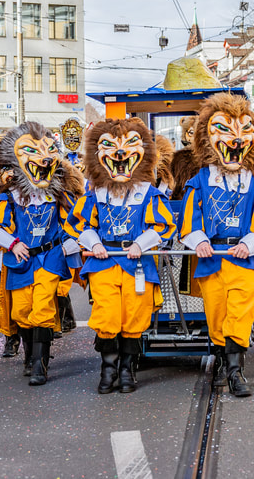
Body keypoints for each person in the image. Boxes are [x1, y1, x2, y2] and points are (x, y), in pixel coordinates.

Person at [65, 117, 176, 394]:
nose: (120, 153)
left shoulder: (149, 193)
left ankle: (127, 369)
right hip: (104, 261)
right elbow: (79, 224)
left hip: (138, 263)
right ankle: (108, 369)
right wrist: (94, 243)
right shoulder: (95, 194)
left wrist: (141, 243)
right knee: (107, 316)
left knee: (135, 317)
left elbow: (162, 225)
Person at [180, 93, 254, 396]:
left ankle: (236, 371)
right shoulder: (199, 181)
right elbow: (189, 220)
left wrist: (250, 243)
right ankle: (223, 363)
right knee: (217, 316)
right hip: (212, 260)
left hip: (243, 259)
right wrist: (199, 241)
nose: (235, 140)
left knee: (240, 315)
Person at [0, 121, 84, 386]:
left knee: (42, 307)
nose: (43, 159)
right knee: (22, 311)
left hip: (50, 258)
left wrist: (69, 244)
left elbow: (76, 224)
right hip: (20, 261)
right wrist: (12, 244)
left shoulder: (59, 197)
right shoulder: (9, 198)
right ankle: (28, 357)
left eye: (48, 151)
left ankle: (40, 364)